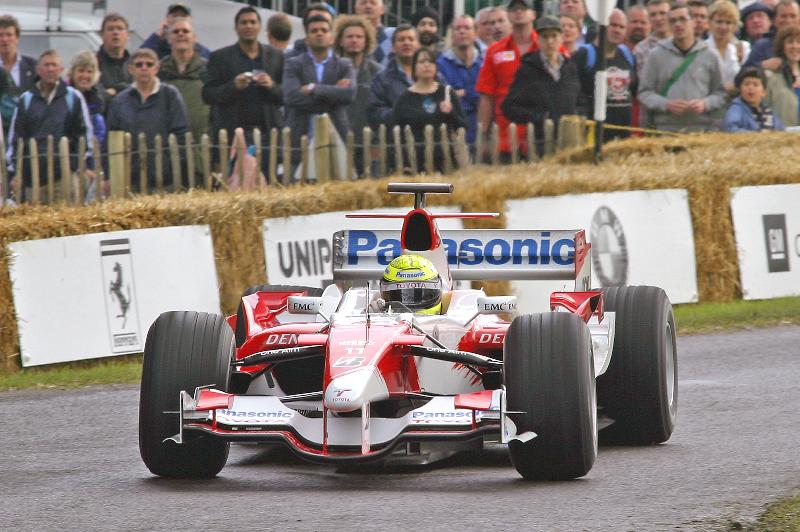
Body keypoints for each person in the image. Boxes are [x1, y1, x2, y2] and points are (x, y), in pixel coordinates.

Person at [6, 50, 94, 203]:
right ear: (38, 69)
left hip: (64, 176)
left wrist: (74, 166)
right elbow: (16, 138)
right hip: (32, 177)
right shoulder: (26, 100)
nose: (50, 69)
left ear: (61, 70)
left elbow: (84, 135)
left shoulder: (73, 97)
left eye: (54, 65)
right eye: (46, 65)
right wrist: (15, 172)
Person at [202, 6, 284, 172]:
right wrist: (233, 86)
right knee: (235, 184)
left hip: (268, 134)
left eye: (253, 22)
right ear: (236, 27)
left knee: (267, 184)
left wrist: (272, 86)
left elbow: (286, 94)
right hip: (234, 135)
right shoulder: (220, 57)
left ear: (260, 27)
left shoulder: (276, 56)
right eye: (244, 22)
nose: (248, 26)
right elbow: (207, 94)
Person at [284, 14, 356, 176]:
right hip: (301, 134)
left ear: (332, 38)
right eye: (314, 31)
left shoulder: (344, 65)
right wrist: (333, 94)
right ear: (307, 38)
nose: (319, 33)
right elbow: (291, 96)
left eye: (324, 30)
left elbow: (349, 94)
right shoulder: (294, 64)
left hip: (336, 134)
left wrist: (313, 88)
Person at [106, 48, 188, 190]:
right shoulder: (120, 100)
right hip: (129, 179)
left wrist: (172, 166)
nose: (144, 68)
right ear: (131, 69)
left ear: (156, 68)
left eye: (149, 64)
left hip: (165, 179)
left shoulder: (170, 95)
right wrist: (109, 174)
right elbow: (111, 137)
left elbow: (181, 133)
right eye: (139, 65)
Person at [638, 3, 727, 132]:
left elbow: (721, 94)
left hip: (701, 131)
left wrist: (705, 103)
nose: (678, 24)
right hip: (665, 130)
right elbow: (644, 93)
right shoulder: (655, 55)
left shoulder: (710, 55)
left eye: (682, 19)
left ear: (693, 22)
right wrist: (666, 104)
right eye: (673, 21)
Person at [502, 16, 580, 156]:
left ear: (561, 38)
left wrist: (578, 115)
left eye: (554, 36)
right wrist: (540, 117)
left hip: (569, 140)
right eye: (545, 37)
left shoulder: (570, 67)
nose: (550, 41)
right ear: (537, 40)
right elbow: (509, 107)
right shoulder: (527, 69)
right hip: (539, 143)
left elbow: (580, 99)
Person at [476, 0, 539, 163]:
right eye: (513, 9)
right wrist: (483, 135)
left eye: (523, 8)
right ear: (509, 15)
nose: (518, 12)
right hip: (505, 136)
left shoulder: (548, 47)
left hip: (541, 134)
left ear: (533, 14)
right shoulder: (494, 52)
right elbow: (486, 97)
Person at [394, 48, 467, 173]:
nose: (427, 65)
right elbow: (396, 133)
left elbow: (462, 126)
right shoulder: (405, 98)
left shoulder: (447, 93)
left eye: (430, 62)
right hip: (415, 163)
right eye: (422, 62)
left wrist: (450, 112)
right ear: (414, 68)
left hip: (445, 162)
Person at [574, 9, 637, 141]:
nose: (617, 30)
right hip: (593, 134)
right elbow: (575, 94)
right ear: (601, 25)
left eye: (622, 27)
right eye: (613, 25)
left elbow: (634, 89)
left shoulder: (627, 55)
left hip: (623, 133)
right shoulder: (584, 55)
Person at [334, 15, 380, 177]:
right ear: (340, 40)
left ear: (366, 41)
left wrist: (377, 143)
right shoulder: (331, 69)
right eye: (350, 36)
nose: (354, 40)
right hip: (339, 143)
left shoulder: (377, 71)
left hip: (369, 143)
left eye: (359, 36)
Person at [158, 18, 209, 141]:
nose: (181, 34)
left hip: (202, 141)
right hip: (167, 142)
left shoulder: (208, 69)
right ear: (168, 38)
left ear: (195, 38)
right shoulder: (158, 70)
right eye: (176, 32)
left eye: (185, 31)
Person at [437, 15, 484, 145]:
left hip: (482, 133)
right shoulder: (440, 65)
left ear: (475, 33)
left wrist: (461, 93)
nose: (462, 31)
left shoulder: (485, 63)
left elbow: (487, 100)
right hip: (452, 134)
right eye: (457, 28)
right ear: (452, 34)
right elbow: (444, 99)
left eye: (467, 28)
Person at [368, 25, 421, 130]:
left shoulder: (433, 76)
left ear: (419, 45)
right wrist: (400, 113)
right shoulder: (381, 79)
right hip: (395, 140)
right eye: (401, 40)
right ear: (392, 47)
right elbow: (375, 113)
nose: (406, 43)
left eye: (411, 39)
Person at [706, 0, 750, 95]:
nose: (723, 27)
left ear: (735, 26)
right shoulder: (701, 49)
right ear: (710, 23)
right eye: (719, 22)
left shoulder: (743, 48)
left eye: (728, 23)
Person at [141, 3, 211, 60]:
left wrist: (192, 41)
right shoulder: (157, 44)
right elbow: (140, 57)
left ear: (190, 20)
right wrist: (158, 35)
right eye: (175, 16)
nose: (179, 19)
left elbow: (207, 58)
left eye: (183, 16)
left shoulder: (199, 49)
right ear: (167, 19)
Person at [724, 66, 784, 131]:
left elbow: (781, 129)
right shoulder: (736, 109)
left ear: (764, 92)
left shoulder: (768, 111)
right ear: (740, 89)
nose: (751, 88)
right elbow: (731, 128)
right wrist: (755, 137)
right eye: (746, 84)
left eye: (755, 85)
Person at [744, 0, 800, 70]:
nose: (788, 20)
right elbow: (742, 74)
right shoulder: (762, 46)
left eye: (793, 16)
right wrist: (761, 65)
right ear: (774, 20)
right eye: (783, 16)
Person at [68, 51, 107, 148]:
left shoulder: (98, 98)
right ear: (72, 72)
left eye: (89, 72)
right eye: (81, 71)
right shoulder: (65, 95)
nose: (85, 76)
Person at [764, 26, 800, 126]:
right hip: (782, 134)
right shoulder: (771, 75)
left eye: (798, 42)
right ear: (782, 46)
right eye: (790, 42)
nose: (795, 46)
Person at [97, 13, 132, 99]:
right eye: (110, 29)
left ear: (128, 35)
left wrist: (115, 90)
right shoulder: (94, 63)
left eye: (120, 29)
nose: (115, 32)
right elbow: (97, 94)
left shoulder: (136, 64)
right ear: (102, 35)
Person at [0, 15, 36, 95]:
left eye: (9, 35)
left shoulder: (33, 66)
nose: (5, 39)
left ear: (17, 38)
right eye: (0, 35)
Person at [634, 0, 671, 76]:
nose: (658, 18)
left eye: (662, 13)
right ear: (648, 18)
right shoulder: (641, 49)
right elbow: (645, 81)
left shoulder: (682, 41)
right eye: (653, 15)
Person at [356, 0, 395, 66]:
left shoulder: (394, 34)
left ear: (382, 9)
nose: (368, 6)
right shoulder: (349, 36)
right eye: (363, 3)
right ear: (356, 9)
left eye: (373, 3)